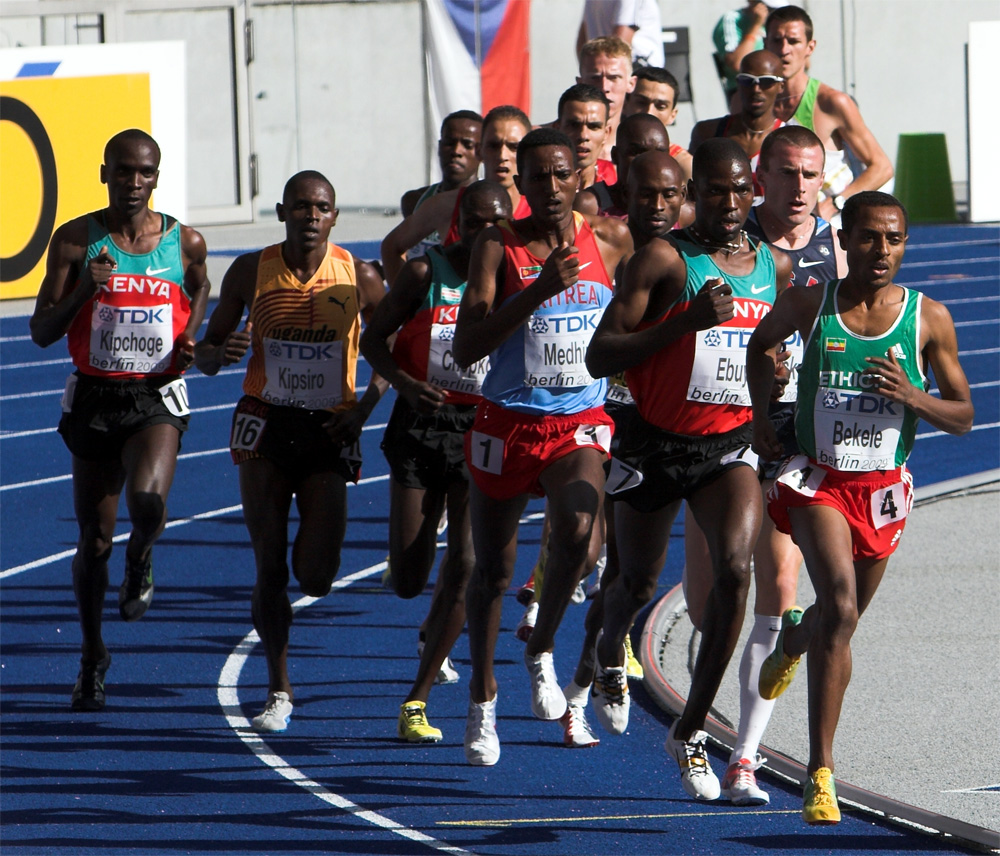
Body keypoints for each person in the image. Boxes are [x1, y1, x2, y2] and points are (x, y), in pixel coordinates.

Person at [746, 191, 973, 824]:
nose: (881, 251)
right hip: (819, 480)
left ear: (906, 244)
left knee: (837, 621)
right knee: (841, 607)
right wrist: (764, 418)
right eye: (868, 238)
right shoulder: (810, 302)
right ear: (844, 240)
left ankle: (794, 637)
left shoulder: (929, 319)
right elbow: (759, 346)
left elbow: (965, 416)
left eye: (894, 239)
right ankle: (822, 772)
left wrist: (913, 396)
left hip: (883, 490)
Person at [585, 138, 791, 801]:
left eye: (739, 191)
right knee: (634, 580)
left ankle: (693, 729)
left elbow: (765, 350)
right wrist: (683, 323)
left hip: (726, 447)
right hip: (653, 441)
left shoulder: (772, 267)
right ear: (693, 190)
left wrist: (775, 373)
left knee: (737, 570)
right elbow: (600, 356)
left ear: (753, 191)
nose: (728, 204)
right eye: (714, 191)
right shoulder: (664, 260)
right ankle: (610, 643)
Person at [453, 128, 632, 766]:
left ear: (579, 177)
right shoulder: (496, 247)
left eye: (562, 176)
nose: (551, 188)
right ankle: (481, 695)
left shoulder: (610, 240)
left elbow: (636, 320)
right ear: (519, 185)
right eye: (537, 178)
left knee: (580, 534)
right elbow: (466, 347)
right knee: (493, 572)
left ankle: (541, 647)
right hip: (506, 422)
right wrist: (536, 291)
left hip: (577, 420)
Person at [681, 124, 847, 806]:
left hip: (785, 434)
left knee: (778, 584)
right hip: (714, 428)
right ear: (760, 178)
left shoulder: (835, 245)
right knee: (706, 603)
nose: (801, 187)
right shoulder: (728, 235)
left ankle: (743, 759)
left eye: (812, 174)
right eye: (787, 173)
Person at [193, 171, 387, 733]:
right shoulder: (252, 270)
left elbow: (394, 349)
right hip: (265, 421)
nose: (310, 215)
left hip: (331, 426)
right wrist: (218, 351)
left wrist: (365, 407)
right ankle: (278, 688)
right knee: (269, 561)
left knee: (319, 576)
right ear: (282, 212)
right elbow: (204, 353)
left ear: (334, 216)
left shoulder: (359, 276)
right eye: (300, 206)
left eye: (321, 207)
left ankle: (311, 559)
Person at [29, 129, 210, 711]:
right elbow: (40, 331)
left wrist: (189, 337)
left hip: (154, 396)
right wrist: (87, 287)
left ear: (157, 177)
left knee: (149, 503)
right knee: (94, 538)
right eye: (124, 171)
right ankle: (92, 656)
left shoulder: (185, 242)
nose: (135, 182)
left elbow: (201, 286)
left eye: (146, 172)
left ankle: (143, 557)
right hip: (95, 399)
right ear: (103, 172)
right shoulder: (75, 241)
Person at [360, 181, 513, 743]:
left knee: (469, 564)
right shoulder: (425, 275)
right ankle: (426, 616)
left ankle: (417, 699)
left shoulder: (517, 279)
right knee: (407, 578)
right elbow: (374, 341)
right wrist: (404, 382)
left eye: (496, 224)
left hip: (483, 429)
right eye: (474, 223)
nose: (484, 234)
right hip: (421, 427)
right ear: (457, 225)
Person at [559, 149, 689, 749]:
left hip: (650, 425)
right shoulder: (594, 242)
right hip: (589, 413)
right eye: (645, 194)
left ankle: (585, 682)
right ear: (623, 194)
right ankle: (554, 640)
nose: (659, 208)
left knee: (626, 578)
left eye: (670, 195)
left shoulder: (691, 251)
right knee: (587, 554)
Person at [765, 5, 893, 222]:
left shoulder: (832, 102)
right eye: (777, 40)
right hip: (774, 224)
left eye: (794, 41)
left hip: (826, 227)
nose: (784, 49)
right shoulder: (753, 101)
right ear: (765, 43)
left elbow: (882, 167)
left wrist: (837, 203)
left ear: (810, 47)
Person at [381, 106, 531, 286]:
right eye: (493, 145)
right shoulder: (447, 205)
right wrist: (408, 308)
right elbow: (391, 247)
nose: (502, 155)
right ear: (481, 150)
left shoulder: (538, 206)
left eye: (514, 147)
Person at [688, 50, 785, 198]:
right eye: (747, 80)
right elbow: (691, 192)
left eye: (766, 81)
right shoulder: (707, 133)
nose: (756, 89)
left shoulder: (790, 141)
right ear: (738, 83)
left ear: (781, 86)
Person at [399, 110, 483, 261]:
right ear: (439, 146)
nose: (456, 151)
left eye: (467, 144)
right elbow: (394, 249)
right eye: (449, 143)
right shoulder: (414, 201)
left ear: (482, 151)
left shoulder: (489, 204)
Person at [575, 112, 671, 220]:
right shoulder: (589, 206)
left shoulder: (681, 212)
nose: (648, 162)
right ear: (615, 156)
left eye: (659, 154)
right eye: (637, 153)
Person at [622, 66, 693, 180]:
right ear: (625, 104)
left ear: (672, 115)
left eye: (661, 106)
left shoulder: (684, 166)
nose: (649, 112)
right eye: (641, 102)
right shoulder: (597, 154)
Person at [578, 37, 637, 160]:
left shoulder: (640, 149)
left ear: (631, 83)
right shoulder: (555, 145)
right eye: (595, 78)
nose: (604, 87)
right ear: (580, 83)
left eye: (614, 77)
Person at [556, 83, 616, 190]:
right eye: (574, 125)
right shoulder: (535, 187)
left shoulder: (616, 180)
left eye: (593, 126)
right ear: (557, 128)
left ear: (606, 133)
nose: (583, 135)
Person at [578, 0, 665, 69]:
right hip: (630, 68)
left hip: (623, 67)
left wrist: (590, 72)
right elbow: (620, 43)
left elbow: (581, 44)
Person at [713, 1, 769, 101]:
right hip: (744, 92)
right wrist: (755, 26)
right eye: (767, 6)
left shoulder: (776, 23)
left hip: (775, 88)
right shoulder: (732, 19)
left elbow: (804, 65)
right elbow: (737, 64)